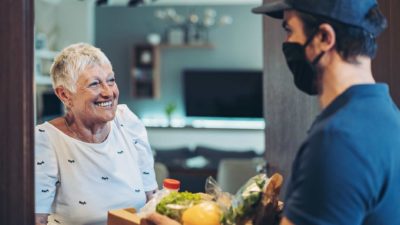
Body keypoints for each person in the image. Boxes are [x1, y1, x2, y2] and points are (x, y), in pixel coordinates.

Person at [144, 0, 400, 225]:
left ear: (324, 38)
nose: (286, 43)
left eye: (289, 30)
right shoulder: (386, 115)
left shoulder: (339, 138)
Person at [35, 43, 158, 225]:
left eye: (111, 80)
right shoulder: (45, 139)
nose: (108, 92)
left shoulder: (128, 121)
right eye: (94, 84)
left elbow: (151, 201)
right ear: (65, 95)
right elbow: (37, 220)